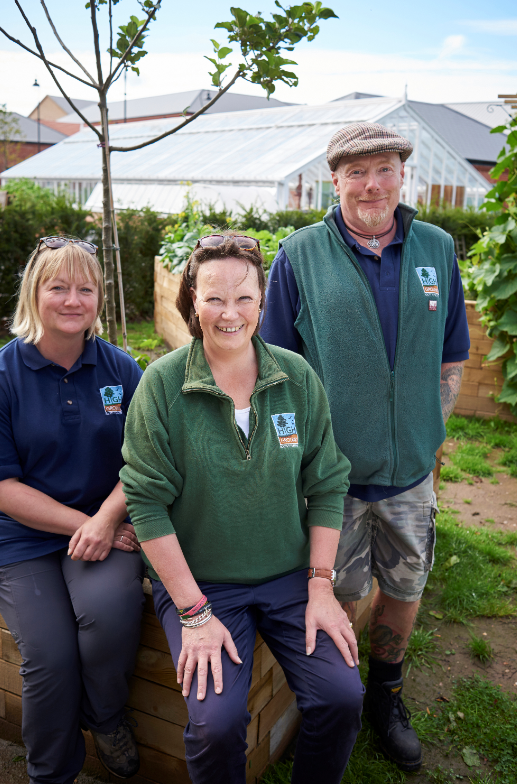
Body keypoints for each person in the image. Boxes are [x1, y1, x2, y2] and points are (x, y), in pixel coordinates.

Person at [261, 122, 470, 772]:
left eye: (382, 168)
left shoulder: (436, 247)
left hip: (409, 475)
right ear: (335, 180)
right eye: (355, 172)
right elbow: (274, 374)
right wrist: (297, 456)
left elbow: (451, 357)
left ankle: (384, 694)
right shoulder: (300, 253)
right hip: (332, 481)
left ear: (401, 173)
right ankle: (333, 697)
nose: (370, 184)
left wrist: (427, 436)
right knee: (339, 588)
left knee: (404, 584)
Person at [120, 233, 364, 784]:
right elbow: (146, 503)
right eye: (213, 297)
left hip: (287, 575)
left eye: (245, 297)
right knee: (216, 723)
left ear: (263, 302)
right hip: (203, 584)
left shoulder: (296, 377)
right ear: (191, 301)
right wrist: (194, 612)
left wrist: (321, 586)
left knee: (343, 696)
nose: (230, 313)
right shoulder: (161, 385)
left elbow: (327, 485)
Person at [0, 237, 146, 784]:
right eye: (57, 286)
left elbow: (145, 459)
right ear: (34, 293)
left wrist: (107, 518)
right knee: (50, 656)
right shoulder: (5, 376)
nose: (71, 299)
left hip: (107, 526)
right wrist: (87, 526)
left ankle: (105, 717)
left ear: (99, 298)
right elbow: (3, 486)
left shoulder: (122, 370)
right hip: (24, 536)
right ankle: (51, 772)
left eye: (85, 288)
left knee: (107, 617)